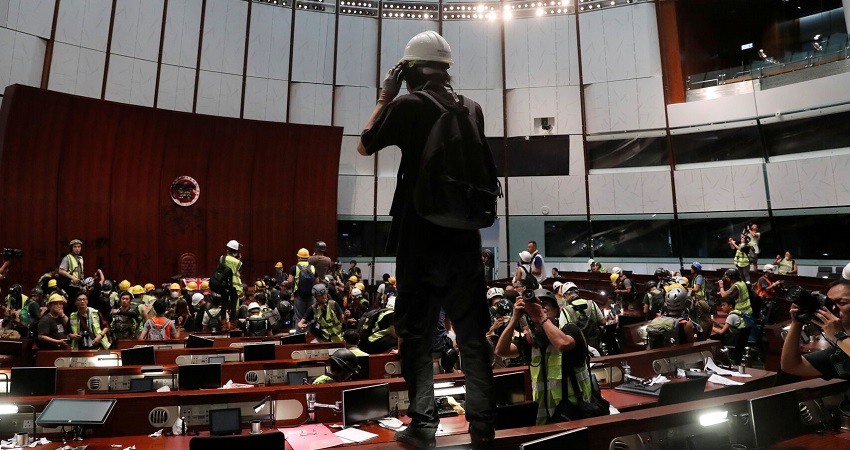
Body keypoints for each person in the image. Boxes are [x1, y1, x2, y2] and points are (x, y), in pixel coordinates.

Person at [357, 30, 495, 449]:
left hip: (420, 239)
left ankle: (423, 424)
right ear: (446, 69)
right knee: (472, 337)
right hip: (465, 241)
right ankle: (483, 428)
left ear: (409, 71)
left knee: (415, 335)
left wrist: (384, 96)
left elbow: (365, 146)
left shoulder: (407, 105)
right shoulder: (472, 109)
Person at [494, 289, 593, 425]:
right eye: (535, 305)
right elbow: (501, 351)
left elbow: (562, 344)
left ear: (556, 310)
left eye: (545, 304)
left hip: (575, 413)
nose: (540, 308)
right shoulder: (532, 340)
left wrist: (541, 317)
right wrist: (515, 317)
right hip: (544, 415)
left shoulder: (571, 330)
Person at [781, 279, 850, 379]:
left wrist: (838, 336)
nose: (833, 308)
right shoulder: (840, 348)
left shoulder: (840, 340)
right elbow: (791, 366)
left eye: (842, 302)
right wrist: (797, 323)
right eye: (829, 303)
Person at [711, 298, 750, 363]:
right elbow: (730, 328)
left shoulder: (731, 316)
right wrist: (717, 324)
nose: (722, 307)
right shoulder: (736, 313)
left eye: (724, 305)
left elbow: (721, 332)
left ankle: (715, 360)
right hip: (738, 340)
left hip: (733, 341)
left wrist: (711, 327)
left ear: (730, 306)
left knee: (715, 337)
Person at [289, 248, 316, 323]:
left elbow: (290, 281)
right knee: (310, 316)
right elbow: (317, 281)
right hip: (311, 295)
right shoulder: (313, 267)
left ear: (299, 257)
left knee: (299, 317)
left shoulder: (294, 267)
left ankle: (300, 333)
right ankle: (310, 334)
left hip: (299, 295)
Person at [222, 240, 244, 322]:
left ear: (227, 250)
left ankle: (224, 324)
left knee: (224, 307)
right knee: (234, 309)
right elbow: (239, 272)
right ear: (236, 252)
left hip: (224, 285)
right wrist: (238, 259)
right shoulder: (238, 262)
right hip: (235, 287)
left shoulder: (222, 258)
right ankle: (233, 325)